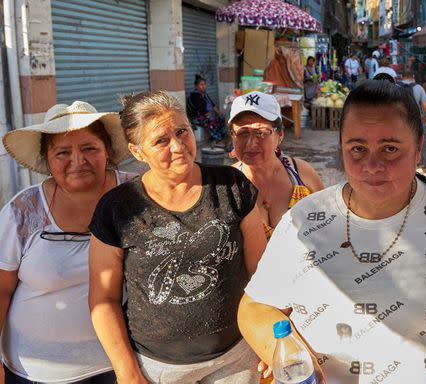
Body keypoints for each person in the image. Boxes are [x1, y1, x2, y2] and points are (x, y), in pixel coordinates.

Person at [237, 79, 426, 383]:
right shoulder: (303, 221)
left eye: (390, 148)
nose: (372, 166)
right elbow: (254, 307)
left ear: (419, 149)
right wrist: (286, 347)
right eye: (357, 148)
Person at [88, 90, 267, 384]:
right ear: (137, 152)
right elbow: (103, 300)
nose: (178, 145)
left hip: (237, 357)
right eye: (160, 140)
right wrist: (127, 371)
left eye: (182, 131)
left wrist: (266, 341)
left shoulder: (231, 187)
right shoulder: (117, 208)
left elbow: (260, 273)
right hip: (158, 368)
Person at [1, 101, 132, 384]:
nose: (77, 161)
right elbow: (1, 289)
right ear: (47, 159)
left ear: (106, 150)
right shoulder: (23, 211)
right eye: (62, 152)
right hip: (35, 372)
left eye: (89, 148)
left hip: (125, 366)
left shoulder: (137, 195)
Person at [228, 91, 325, 239]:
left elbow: (329, 223)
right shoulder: (228, 185)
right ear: (232, 136)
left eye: (261, 132)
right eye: (242, 133)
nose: (251, 143)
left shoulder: (302, 174)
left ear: (280, 135)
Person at [186, 75, 227, 145]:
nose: (203, 86)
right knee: (211, 121)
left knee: (221, 118)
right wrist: (211, 116)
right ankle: (217, 139)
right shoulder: (195, 95)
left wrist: (219, 113)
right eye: (201, 85)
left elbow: (213, 105)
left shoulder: (205, 94)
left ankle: (220, 137)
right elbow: (201, 110)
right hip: (196, 117)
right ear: (196, 86)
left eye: (204, 84)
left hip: (206, 115)